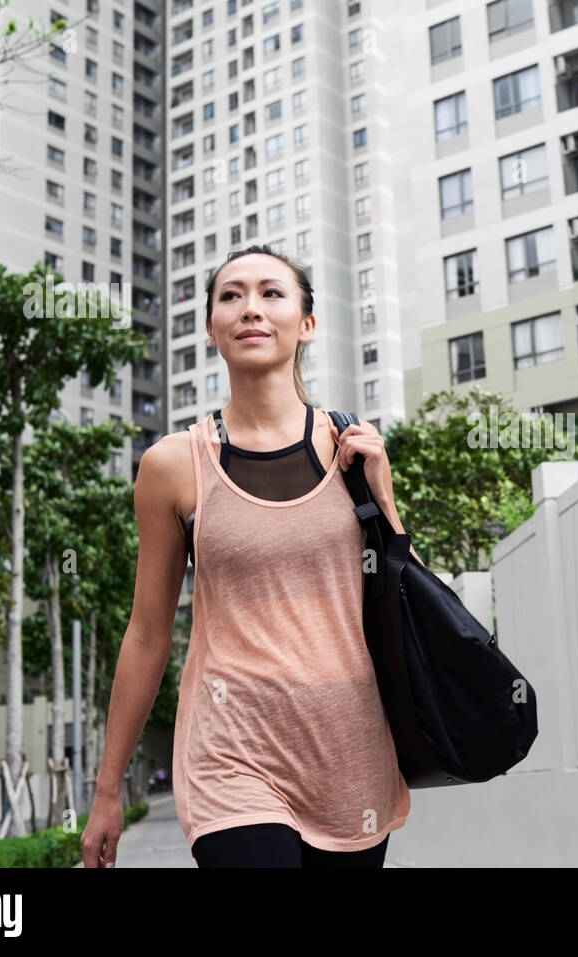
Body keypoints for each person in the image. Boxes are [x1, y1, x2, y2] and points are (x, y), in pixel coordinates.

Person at [81, 246, 419, 868]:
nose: (250, 309)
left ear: (306, 323)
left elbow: (405, 592)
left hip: (349, 750)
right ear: (211, 328)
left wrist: (384, 499)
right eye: (230, 296)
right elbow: (149, 632)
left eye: (271, 293)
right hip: (232, 751)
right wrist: (107, 791)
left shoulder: (355, 447)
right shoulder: (173, 465)